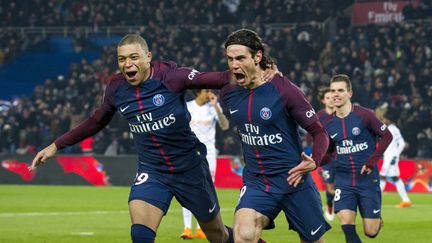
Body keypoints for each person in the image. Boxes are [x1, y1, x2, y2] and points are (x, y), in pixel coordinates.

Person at [29, 33, 275, 243]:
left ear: (148, 57)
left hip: (190, 168)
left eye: (133, 57)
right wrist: (55, 145)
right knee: (140, 235)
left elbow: (219, 79)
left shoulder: (172, 77)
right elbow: (96, 121)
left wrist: (257, 73)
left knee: (217, 236)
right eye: (122, 59)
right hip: (153, 171)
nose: (127, 64)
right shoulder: (116, 88)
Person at [220, 29, 331, 243]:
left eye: (240, 58)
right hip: (257, 181)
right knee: (242, 235)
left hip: (294, 179)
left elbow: (319, 132)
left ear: (258, 56)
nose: (234, 65)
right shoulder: (228, 87)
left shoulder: (285, 90)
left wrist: (314, 162)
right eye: (230, 59)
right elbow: (191, 79)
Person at [323, 74, 393, 243]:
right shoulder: (328, 124)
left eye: (340, 90)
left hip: (367, 180)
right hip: (344, 180)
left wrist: (371, 161)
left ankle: (376, 220)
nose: (336, 94)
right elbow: (329, 151)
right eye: (333, 91)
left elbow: (387, 136)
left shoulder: (365, 115)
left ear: (350, 93)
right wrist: (313, 161)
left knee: (371, 232)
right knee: (347, 224)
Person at [181, 89, 229, 239]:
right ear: (198, 93)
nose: (209, 94)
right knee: (186, 188)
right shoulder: (187, 106)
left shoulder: (213, 107)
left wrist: (216, 107)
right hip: (189, 153)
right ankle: (187, 228)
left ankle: (200, 228)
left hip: (209, 154)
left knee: (207, 190)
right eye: (206, 91)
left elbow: (225, 125)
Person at [379, 111, 411, 208]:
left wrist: (395, 156)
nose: (383, 120)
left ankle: (373, 200)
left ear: (389, 120)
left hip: (390, 158)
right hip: (388, 157)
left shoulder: (393, 129)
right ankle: (406, 200)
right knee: (393, 178)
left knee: (382, 177)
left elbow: (402, 143)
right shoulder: (389, 129)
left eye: (384, 119)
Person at [316, 87, 336, 221]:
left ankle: (344, 210)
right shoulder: (319, 116)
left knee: (344, 186)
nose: (331, 100)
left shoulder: (342, 114)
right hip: (327, 158)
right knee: (331, 187)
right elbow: (315, 137)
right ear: (323, 100)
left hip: (342, 155)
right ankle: (329, 205)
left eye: (333, 98)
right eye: (328, 98)